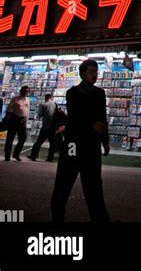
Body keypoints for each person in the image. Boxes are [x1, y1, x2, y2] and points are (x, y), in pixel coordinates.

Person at [50, 59, 110, 222]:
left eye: (96, 72)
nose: (94, 75)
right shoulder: (72, 93)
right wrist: (92, 125)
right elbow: (75, 118)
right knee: (64, 183)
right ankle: (57, 215)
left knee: (94, 186)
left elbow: (102, 118)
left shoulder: (100, 93)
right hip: (74, 144)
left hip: (92, 144)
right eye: (91, 72)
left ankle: (100, 218)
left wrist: (105, 140)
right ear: (82, 73)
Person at [28, 94, 57, 162]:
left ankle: (33, 156)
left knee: (38, 142)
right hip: (53, 127)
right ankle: (50, 158)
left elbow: (40, 115)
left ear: (45, 98)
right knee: (52, 143)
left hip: (45, 127)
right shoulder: (55, 104)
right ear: (51, 98)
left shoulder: (43, 104)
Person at [4, 86, 30, 161]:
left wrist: (26, 119)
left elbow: (27, 110)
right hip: (14, 119)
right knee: (10, 138)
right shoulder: (15, 99)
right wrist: (7, 118)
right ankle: (7, 155)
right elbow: (9, 109)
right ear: (21, 91)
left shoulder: (27, 100)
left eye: (27, 91)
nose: (25, 92)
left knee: (23, 138)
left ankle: (16, 154)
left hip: (23, 121)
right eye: (24, 91)